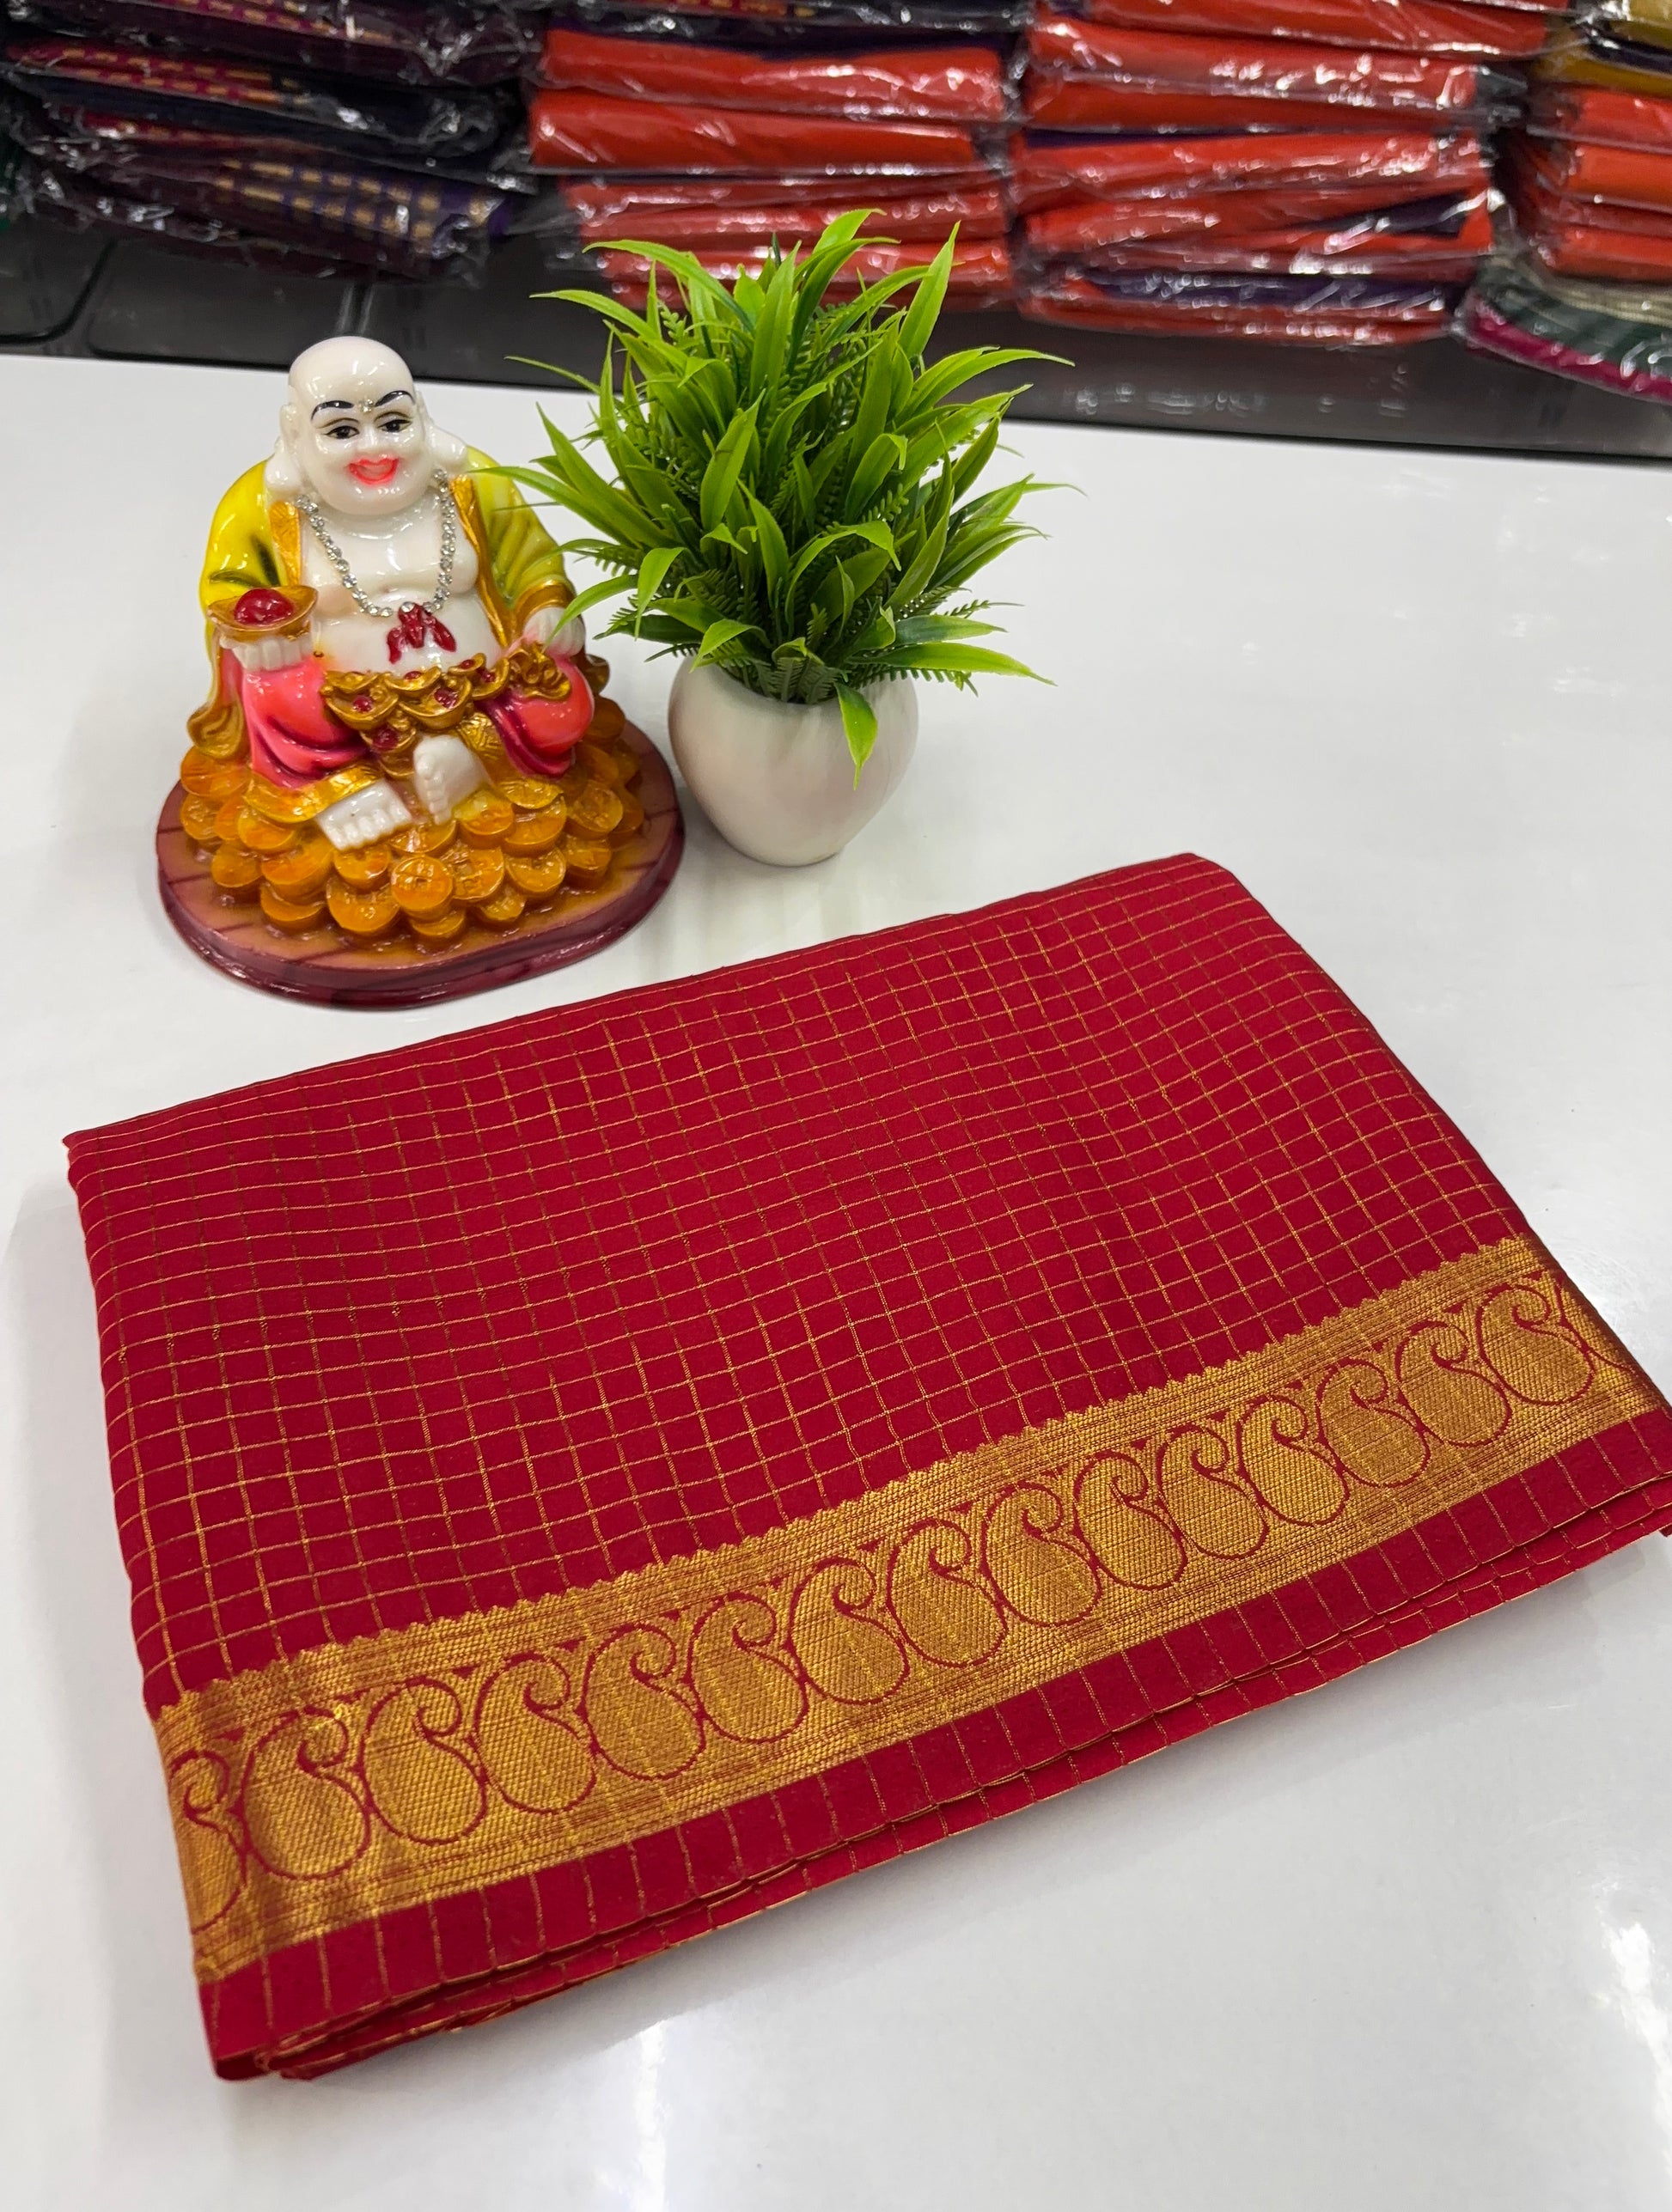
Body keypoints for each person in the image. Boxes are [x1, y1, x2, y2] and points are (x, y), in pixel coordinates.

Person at [191, 337, 593, 850]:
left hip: (484, 687)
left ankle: (474, 757)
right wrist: (259, 635)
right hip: (339, 705)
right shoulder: (261, 503)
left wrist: (548, 606)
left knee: (563, 694)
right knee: (273, 689)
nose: (374, 448)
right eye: (341, 430)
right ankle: (343, 784)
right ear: (295, 431)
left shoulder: (473, 481)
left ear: (420, 412)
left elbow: (531, 558)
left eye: (393, 422)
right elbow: (231, 589)